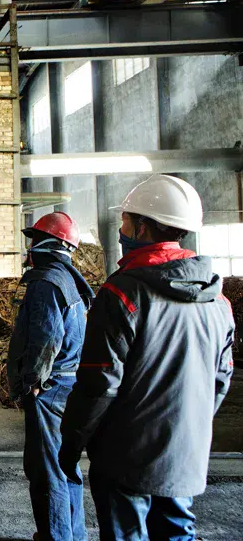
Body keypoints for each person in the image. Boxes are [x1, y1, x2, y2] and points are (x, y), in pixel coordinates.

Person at [60, 175, 235, 541]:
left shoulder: (122, 293)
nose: (120, 229)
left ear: (142, 227)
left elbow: (98, 385)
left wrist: (72, 440)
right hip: (181, 458)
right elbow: (219, 381)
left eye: (124, 220)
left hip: (124, 458)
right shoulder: (218, 301)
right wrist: (185, 429)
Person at [8, 212, 93, 541]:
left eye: (34, 239)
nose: (30, 246)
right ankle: (73, 535)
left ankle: (55, 537)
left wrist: (32, 384)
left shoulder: (46, 282)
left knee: (47, 472)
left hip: (50, 388)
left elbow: (46, 339)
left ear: (51, 243)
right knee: (65, 466)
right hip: (68, 385)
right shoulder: (68, 279)